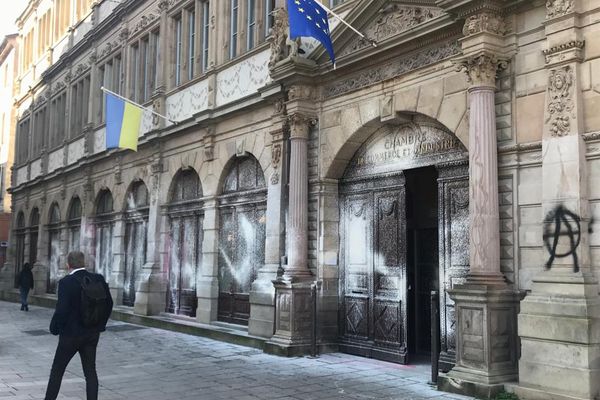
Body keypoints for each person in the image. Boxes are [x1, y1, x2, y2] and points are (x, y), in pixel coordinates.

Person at [44, 251, 113, 400]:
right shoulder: (98, 279)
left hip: (70, 335)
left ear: (68, 264)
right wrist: (100, 325)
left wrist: (55, 328)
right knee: (90, 372)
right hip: (92, 334)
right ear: (84, 263)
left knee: (57, 371)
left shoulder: (66, 282)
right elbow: (109, 304)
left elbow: (61, 310)